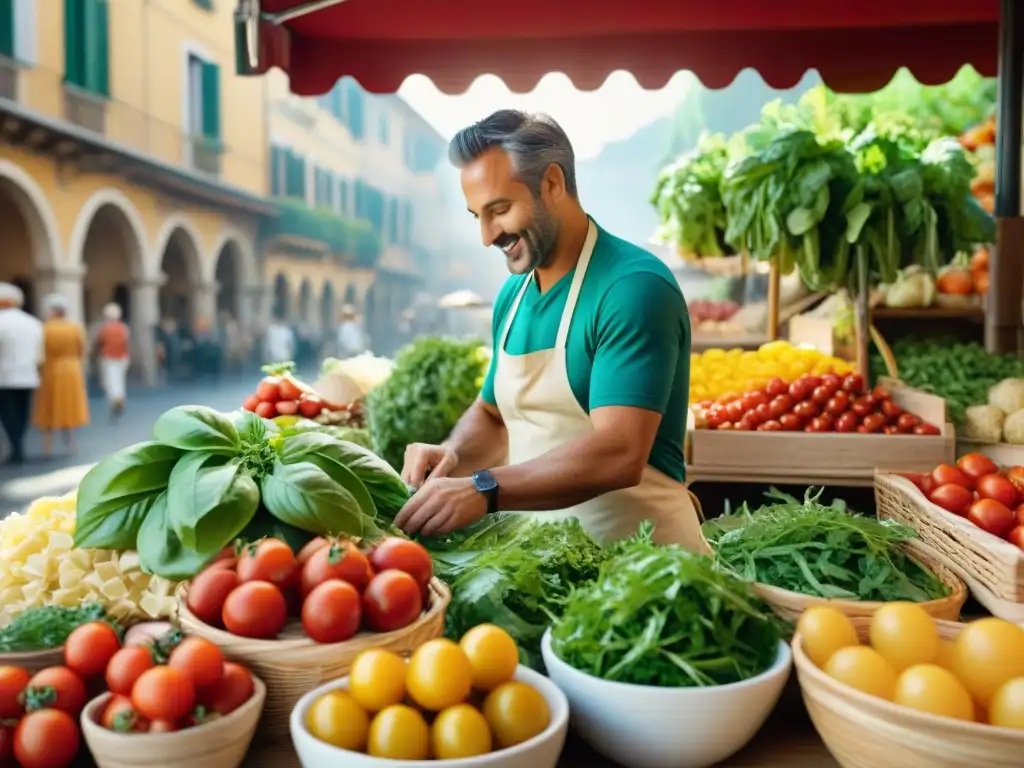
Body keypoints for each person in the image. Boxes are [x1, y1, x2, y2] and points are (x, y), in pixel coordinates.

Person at [395, 110, 708, 551]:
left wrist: (484, 488)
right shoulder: (513, 295)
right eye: (477, 216)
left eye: (499, 210)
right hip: (546, 568)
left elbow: (619, 452)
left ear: (553, 184)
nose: (487, 237)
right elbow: (493, 415)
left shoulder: (633, 288)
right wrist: (453, 455)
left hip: (646, 571)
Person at [33, 294, 89, 457]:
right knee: (69, 406)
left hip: (52, 369)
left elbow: (40, 352)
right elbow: (81, 351)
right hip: (72, 370)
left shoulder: (45, 328)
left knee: (48, 407)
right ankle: (72, 445)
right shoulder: (75, 327)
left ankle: (47, 448)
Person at [0, 282, 44, 464]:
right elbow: (40, 354)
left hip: (5, 377)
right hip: (28, 376)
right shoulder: (33, 322)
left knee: (8, 415)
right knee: (22, 413)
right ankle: (18, 446)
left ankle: (17, 448)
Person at [94, 302, 130, 421]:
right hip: (122, 357)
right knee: (119, 380)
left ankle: (115, 401)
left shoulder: (105, 328)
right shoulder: (124, 328)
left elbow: (99, 343)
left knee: (110, 382)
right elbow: (126, 343)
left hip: (108, 357)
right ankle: (120, 399)